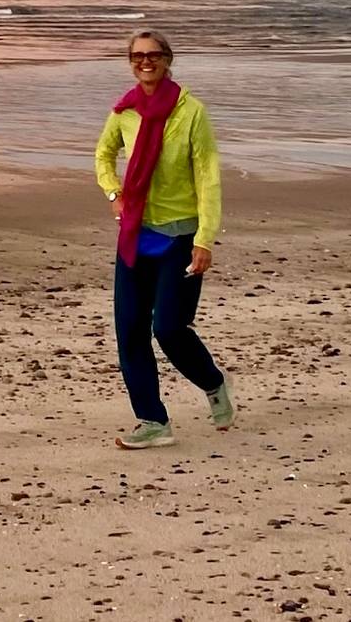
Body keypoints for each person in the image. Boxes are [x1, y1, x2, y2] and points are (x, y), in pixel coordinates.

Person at [94, 29, 233, 449]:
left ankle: (212, 382)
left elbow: (208, 178)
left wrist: (205, 239)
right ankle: (153, 421)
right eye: (137, 56)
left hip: (181, 236)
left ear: (168, 59)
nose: (145, 62)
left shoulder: (191, 113)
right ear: (130, 61)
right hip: (136, 235)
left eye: (153, 55)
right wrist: (114, 193)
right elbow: (103, 155)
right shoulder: (125, 111)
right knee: (130, 332)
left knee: (170, 329)